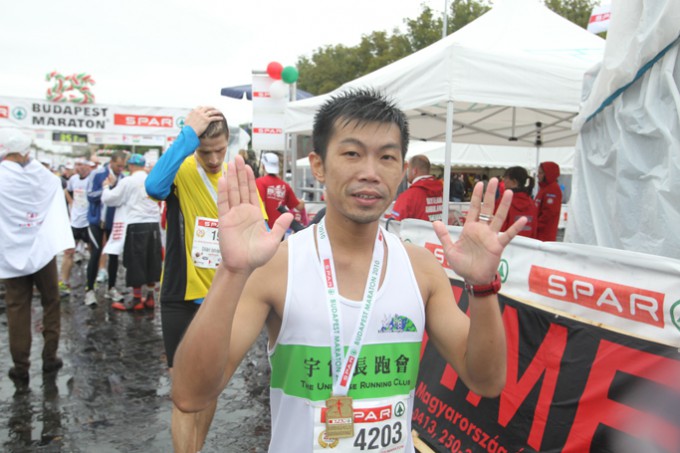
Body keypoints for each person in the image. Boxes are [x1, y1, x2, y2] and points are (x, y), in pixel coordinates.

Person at [171, 90, 527, 452]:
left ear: (402, 171)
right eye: (352, 153)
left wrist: (483, 287)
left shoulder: (421, 269)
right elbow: (190, 395)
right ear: (319, 165)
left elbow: (486, 381)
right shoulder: (278, 265)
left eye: (386, 157)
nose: (370, 173)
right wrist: (232, 271)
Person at [145, 106, 267, 453]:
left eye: (220, 150)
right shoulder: (182, 170)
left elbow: (261, 229)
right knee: (184, 391)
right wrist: (187, 135)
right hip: (182, 295)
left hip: (224, 297)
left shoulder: (236, 176)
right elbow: (153, 187)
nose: (214, 159)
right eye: (205, 152)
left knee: (209, 387)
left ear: (229, 143)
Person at [0, 129, 73, 385]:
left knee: (17, 308)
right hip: (42, 251)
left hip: (10, 252)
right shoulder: (40, 176)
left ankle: (20, 366)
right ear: (25, 152)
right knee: (51, 300)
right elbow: (55, 186)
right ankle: (50, 357)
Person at [102, 154, 162, 311]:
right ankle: (150, 297)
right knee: (152, 261)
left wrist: (106, 187)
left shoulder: (128, 181)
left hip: (136, 224)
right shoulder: (151, 179)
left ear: (131, 166)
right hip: (153, 224)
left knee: (136, 262)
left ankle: (136, 300)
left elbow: (111, 199)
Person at [85, 151, 127, 305]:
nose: (120, 169)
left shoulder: (123, 179)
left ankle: (111, 288)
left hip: (113, 222)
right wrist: (106, 188)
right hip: (96, 221)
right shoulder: (97, 174)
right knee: (95, 254)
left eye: (123, 166)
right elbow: (90, 195)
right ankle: (89, 290)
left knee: (114, 254)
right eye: (118, 166)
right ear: (111, 162)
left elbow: (122, 199)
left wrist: (113, 187)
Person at [60, 158, 96, 304]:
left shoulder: (92, 179)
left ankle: (91, 283)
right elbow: (66, 190)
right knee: (68, 252)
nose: (77, 167)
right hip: (75, 222)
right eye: (76, 165)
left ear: (87, 167)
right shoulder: (73, 179)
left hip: (88, 223)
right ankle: (64, 283)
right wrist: (71, 203)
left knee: (93, 252)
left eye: (80, 165)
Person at [256, 152, 305, 230]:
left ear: (263, 166)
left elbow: (261, 206)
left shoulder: (259, 182)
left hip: (264, 229)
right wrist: (302, 201)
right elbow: (299, 207)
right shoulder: (285, 185)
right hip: (280, 229)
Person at [388, 154, 443, 221]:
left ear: (414, 171)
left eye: (408, 169)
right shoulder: (442, 192)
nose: (407, 173)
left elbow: (394, 223)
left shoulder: (408, 196)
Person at [498, 166, 538, 238]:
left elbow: (498, 227)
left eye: (506, 178)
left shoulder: (504, 202)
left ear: (514, 182)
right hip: (527, 243)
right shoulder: (532, 204)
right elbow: (534, 229)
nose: (504, 181)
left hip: (506, 242)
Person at [535, 161, 562, 242]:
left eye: (540, 173)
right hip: (539, 233)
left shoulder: (552, 189)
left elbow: (549, 213)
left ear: (548, 174)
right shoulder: (545, 188)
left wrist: (535, 225)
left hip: (544, 235)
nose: (537, 175)